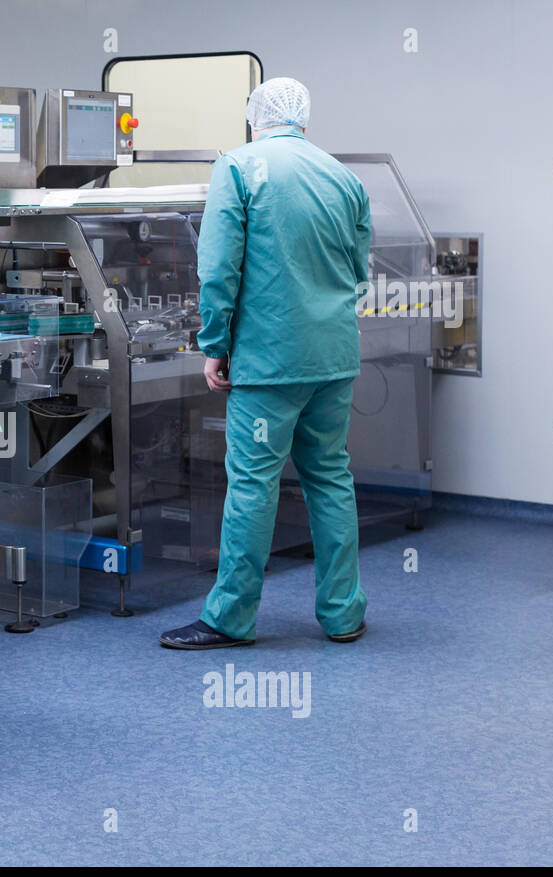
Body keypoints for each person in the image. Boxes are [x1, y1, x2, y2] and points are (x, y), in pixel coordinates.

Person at [160, 78, 370, 650]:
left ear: (254, 117)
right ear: (303, 116)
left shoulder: (238, 166)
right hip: (333, 357)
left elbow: (219, 267)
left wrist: (214, 344)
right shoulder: (343, 176)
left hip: (269, 361)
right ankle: (343, 613)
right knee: (330, 479)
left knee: (253, 484)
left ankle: (230, 617)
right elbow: (358, 272)